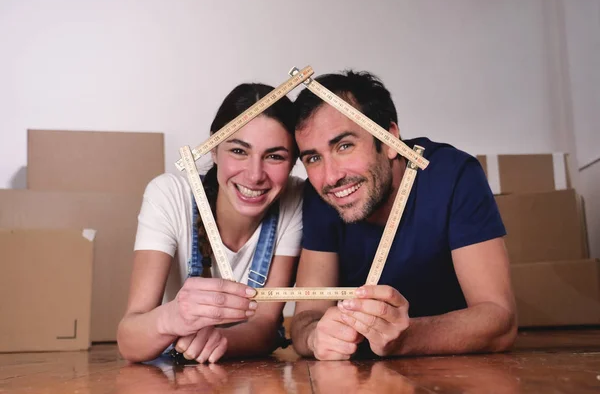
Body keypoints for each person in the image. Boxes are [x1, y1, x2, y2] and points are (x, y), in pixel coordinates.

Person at [290, 70, 517, 360]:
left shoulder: (454, 174)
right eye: (313, 158)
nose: (331, 177)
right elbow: (306, 316)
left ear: (389, 140)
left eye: (344, 146)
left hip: (457, 370)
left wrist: (405, 337)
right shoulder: (319, 194)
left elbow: (500, 320)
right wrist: (314, 337)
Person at [117, 83, 303, 363]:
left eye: (275, 156)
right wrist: (172, 317)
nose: (254, 176)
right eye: (239, 151)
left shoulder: (295, 199)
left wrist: (218, 340)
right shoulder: (169, 195)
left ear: (293, 164)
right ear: (213, 150)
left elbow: (265, 326)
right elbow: (130, 340)